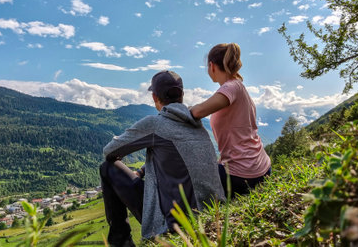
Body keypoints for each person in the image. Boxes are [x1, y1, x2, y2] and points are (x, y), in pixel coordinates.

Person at [100, 70, 225, 246]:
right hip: (210, 211)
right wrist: (142, 171)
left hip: (174, 223)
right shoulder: (198, 124)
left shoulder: (155, 124)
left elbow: (109, 151)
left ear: (154, 97)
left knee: (107, 168)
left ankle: (122, 242)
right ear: (182, 95)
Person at [190, 43, 271, 198]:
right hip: (261, 166)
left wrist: (182, 109)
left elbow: (198, 111)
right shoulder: (239, 88)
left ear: (212, 66)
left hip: (242, 175)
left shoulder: (231, 87)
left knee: (188, 182)